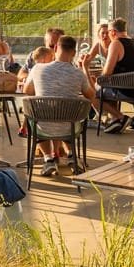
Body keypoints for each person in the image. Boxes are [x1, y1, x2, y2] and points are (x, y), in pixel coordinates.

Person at [24, 35, 97, 176]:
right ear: (74, 53)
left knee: (39, 116)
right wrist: (85, 68)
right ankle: (71, 155)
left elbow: (27, 91)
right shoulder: (78, 74)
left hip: (42, 126)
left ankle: (49, 159)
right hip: (69, 127)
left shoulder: (38, 68)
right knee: (68, 118)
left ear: (56, 48)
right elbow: (91, 95)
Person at [89, 18, 134, 134]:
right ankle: (114, 120)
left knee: (92, 93)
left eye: (109, 32)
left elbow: (106, 73)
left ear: (113, 32)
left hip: (127, 91)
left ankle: (120, 117)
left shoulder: (116, 43)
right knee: (106, 87)